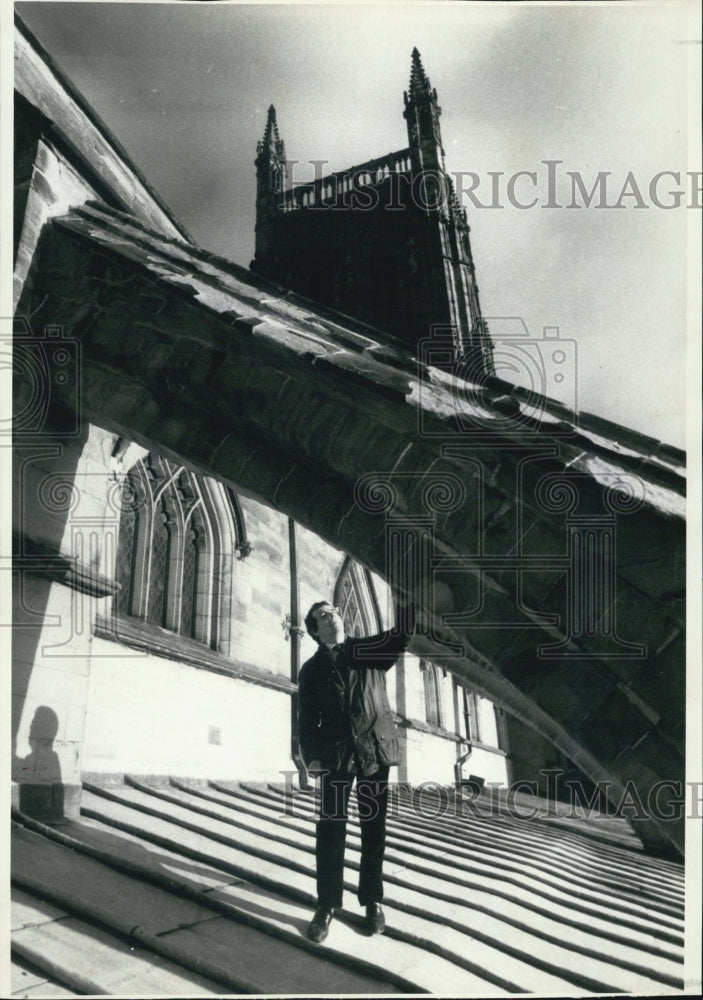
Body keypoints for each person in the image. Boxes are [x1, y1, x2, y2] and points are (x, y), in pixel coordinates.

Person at [297, 599, 414, 944]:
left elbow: (401, 636)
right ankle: (326, 905)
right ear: (315, 630)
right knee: (331, 831)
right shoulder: (311, 669)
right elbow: (306, 720)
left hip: (375, 752)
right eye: (322, 615)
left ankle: (372, 901)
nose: (332, 615)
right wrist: (311, 757)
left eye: (334, 611)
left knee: (373, 829)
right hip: (336, 757)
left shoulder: (367, 650)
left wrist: (409, 598)